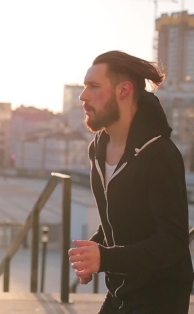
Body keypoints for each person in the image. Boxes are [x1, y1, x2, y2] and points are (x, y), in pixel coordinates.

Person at [68, 50, 193, 313]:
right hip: (121, 290)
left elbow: (173, 241)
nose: (83, 96)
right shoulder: (98, 148)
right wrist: (93, 252)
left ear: (123, 90)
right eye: (84, 86)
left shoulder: (159, 155)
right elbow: (119, 217)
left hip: (160, 298)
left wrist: (105, 258)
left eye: (94, 86)